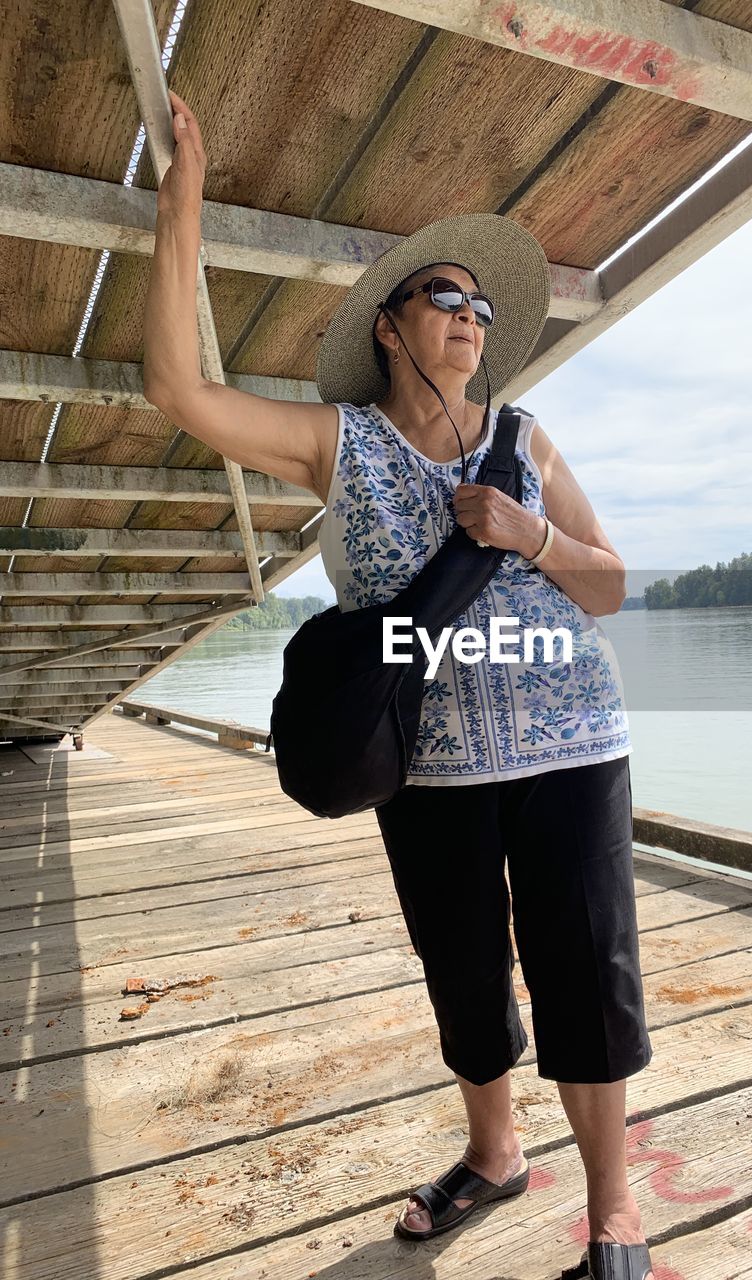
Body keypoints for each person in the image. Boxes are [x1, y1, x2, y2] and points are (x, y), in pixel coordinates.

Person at [144, 88, 655, 1280]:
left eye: (481, 305)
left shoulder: (526, 438)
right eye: (446, 297)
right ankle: (494, 1152)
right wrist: (182, 202)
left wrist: (530, 536)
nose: (471, 316)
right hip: (427, 760)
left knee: (588, 969)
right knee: (464, 967)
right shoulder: (342, 442)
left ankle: (615, 1211)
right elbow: (182, 390)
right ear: (390, 326)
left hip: (574, 739)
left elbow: (614, 582)